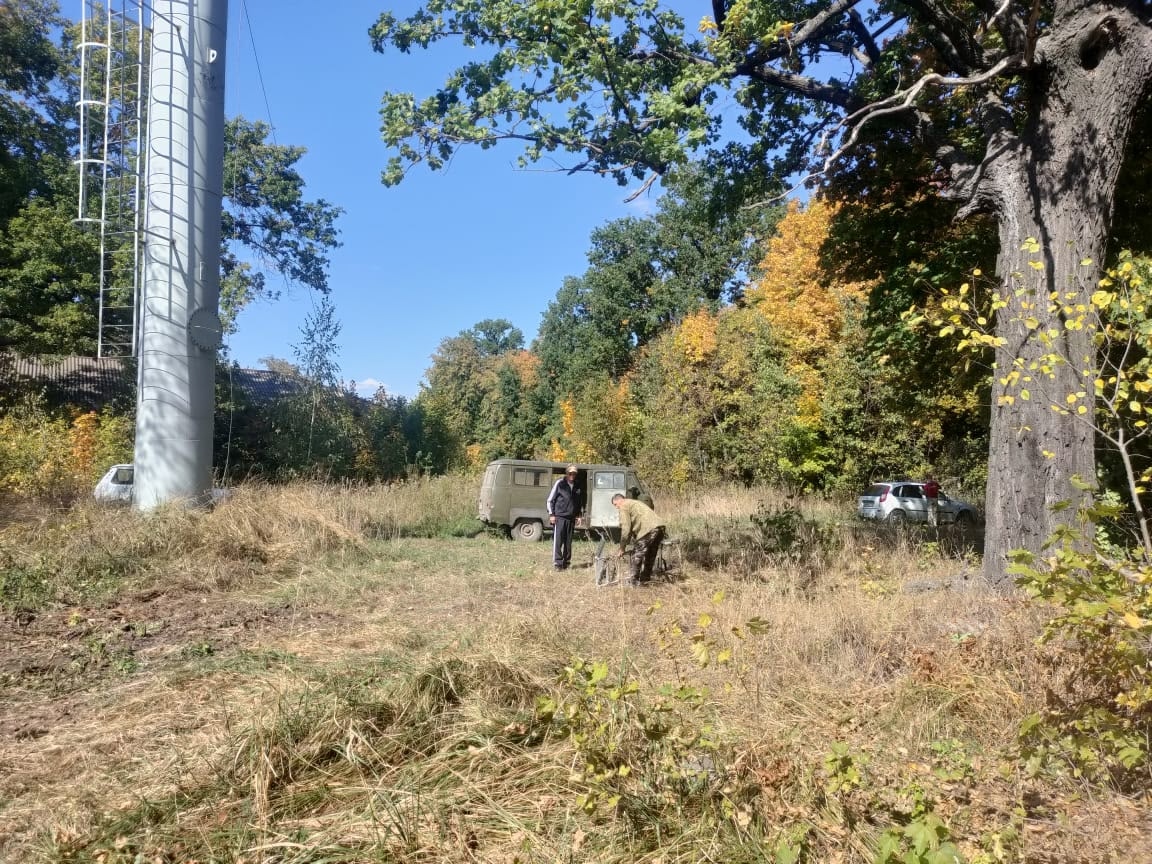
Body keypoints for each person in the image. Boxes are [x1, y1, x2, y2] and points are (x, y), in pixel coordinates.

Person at [612, 492, 666, 586]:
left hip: (648, 529)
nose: (616, 507)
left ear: (619, 500)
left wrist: (622, 547)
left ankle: (633, 582)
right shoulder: (634, 503)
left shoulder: (624, 506)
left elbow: (626, 528)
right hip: (660, 527)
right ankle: (645, 579)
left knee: (636, 555)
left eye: (615, 504)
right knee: (650, 555)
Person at [547, 465, 582, 570]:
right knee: (558, 541)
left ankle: (566, 563)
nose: (572, 475)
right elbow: (550, 500)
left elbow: (578, 502)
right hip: (559, 517)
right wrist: (552, 514)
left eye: (574, 473)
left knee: (568, 542)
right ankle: (557, 564)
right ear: (566, 473)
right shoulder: (560, 483)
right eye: (570, 473)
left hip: (571, 518)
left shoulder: (577, 486)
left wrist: (579, 515)